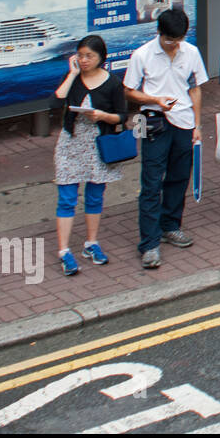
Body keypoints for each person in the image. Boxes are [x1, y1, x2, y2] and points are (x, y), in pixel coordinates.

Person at [123, 8, 207, 269]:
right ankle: (149, 244)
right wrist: (154, 100)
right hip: (152, 121)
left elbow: (195, 89)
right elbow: (129, 91)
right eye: (170, 40)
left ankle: (171, 225)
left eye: (178, 40)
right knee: (150, 183)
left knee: (179, 177)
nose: (174, 45)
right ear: (159, 32)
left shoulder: (191, 52)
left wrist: (197, 124)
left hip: (183, 121)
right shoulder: (142, 55)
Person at [51, 36, 127, 275]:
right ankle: (64, 251)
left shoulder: (113, 83)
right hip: (70, 145)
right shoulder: (74, 79)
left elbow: (122, 117)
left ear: (101, 58)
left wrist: (102, 116)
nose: (83, 60)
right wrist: (72, 74)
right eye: (80, 55)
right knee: (67, 198)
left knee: (95, 196)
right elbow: (55, 102)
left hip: (98, 147)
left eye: (89, 56)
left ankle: (91, 243)